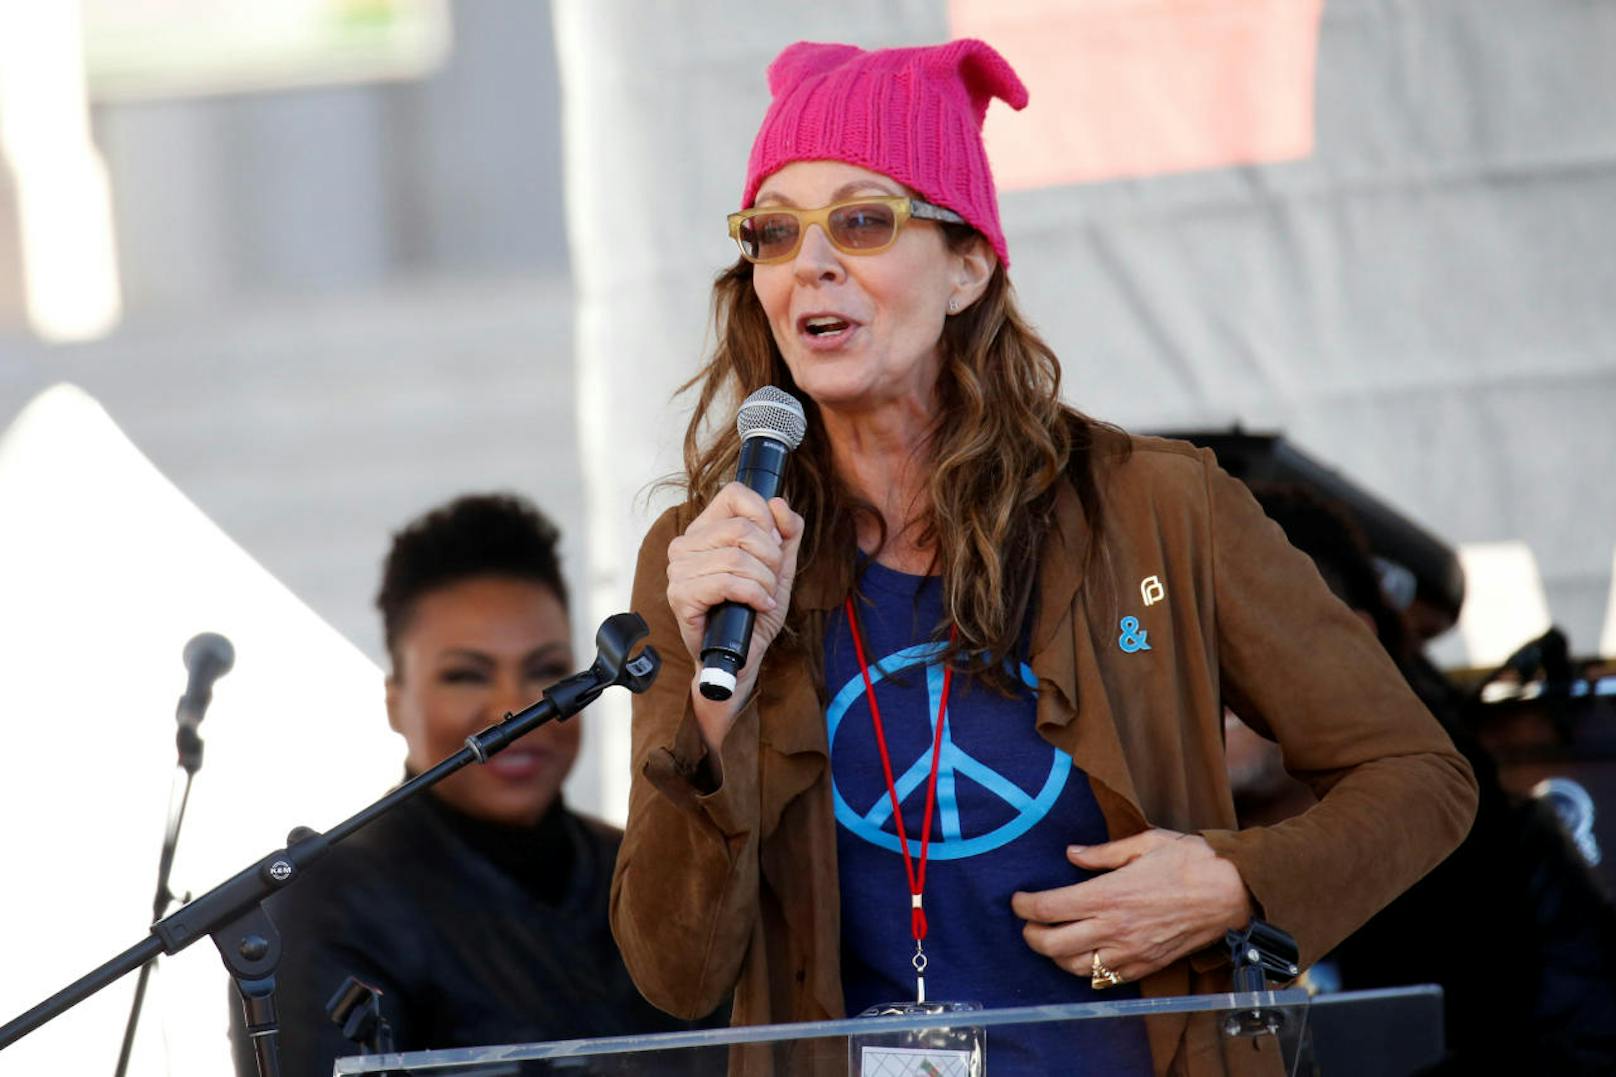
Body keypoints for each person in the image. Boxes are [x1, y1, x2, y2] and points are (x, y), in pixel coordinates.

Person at [610, 38, 1479, 1076]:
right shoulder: (711, 558)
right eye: (772, 231)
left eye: (860, 219)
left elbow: (1420, 778)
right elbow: (673, 972)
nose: (811, 262)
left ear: (967, 265)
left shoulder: (1158, 508)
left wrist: (1232, 882)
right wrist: (715, 704)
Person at [230, 494, 695, 1075]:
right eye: (465, 675)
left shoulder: (643, 867)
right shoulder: (328, 898)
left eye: (547, 669)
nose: (518, 707)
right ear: (395, 701)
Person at [1232, 484, 1616, 1075]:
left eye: (1232, 642)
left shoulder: (1482, 853)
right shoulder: (1126, 841)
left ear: (1347, 649)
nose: (1201, 681)